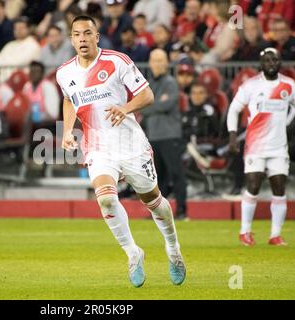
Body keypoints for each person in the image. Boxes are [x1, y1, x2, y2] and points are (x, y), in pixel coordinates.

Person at [57, 15, 186, 287]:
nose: (82, 38)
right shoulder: (64, 72)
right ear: (71, 39)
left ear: (96, 36)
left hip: (130, 144)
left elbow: (147, 95)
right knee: (105, 199)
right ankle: (133, 253)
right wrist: (68, 130)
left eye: (87, 33)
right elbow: (69, 101)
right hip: (98, 147)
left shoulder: (118, 61)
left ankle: (173, 249)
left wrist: (125, 108)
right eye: (77, 34)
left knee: (152, 200)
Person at [227, 48, 295, 246]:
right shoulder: (251, 85)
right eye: (267, 60)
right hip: (255, 145)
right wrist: (232, 135)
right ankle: (245, 232)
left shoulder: (288, 85)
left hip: (278, 147)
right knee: (253, 185)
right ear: (261, 63)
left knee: (280, 188)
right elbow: (233, 109)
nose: (272, 63)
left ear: (280, 62)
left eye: (275, 60)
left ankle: (275, 235)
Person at [140, 49, 188, 220]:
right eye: (155, 60)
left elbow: (161, 106)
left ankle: (182, 210)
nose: (158, 64)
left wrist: (147, 105)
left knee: (176, 173)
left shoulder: (171, 83)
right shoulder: (148, 84)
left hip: (170, 135)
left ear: (167, 63)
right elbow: (144, 107)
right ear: (150, 63)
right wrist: (148, 105)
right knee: (156, 177)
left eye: (161, 60)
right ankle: (157, 212)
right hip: (153, 136)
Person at [0, 16, 41, 82]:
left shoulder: (33, 45)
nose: (18, 31)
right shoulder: (10, 44)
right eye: (16, 28)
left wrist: (5, 61)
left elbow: (18, 63)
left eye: (21, 28)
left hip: (21, 80)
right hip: (3, 79)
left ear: (28, 29)